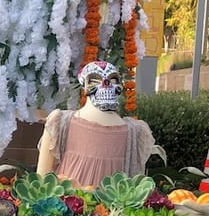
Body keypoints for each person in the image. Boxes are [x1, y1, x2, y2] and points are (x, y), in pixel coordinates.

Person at [36, 60, 156, 188]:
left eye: (112, 80)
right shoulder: (60, 123)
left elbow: (135, 189)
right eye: (95, 80)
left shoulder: (135, 133)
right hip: (67, 205)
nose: (106, 84)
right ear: (84, 84)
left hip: (110, 207)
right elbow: (41, 183)